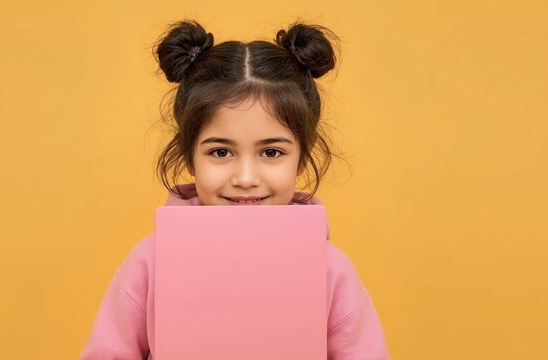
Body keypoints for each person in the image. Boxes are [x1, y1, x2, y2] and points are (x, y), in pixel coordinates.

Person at [79, 20, 390, 360]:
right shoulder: (149, 262)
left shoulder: (331, 270)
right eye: (220, 152)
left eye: (271, 152)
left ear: (303, 156)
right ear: (189, 155)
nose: (245, 177)